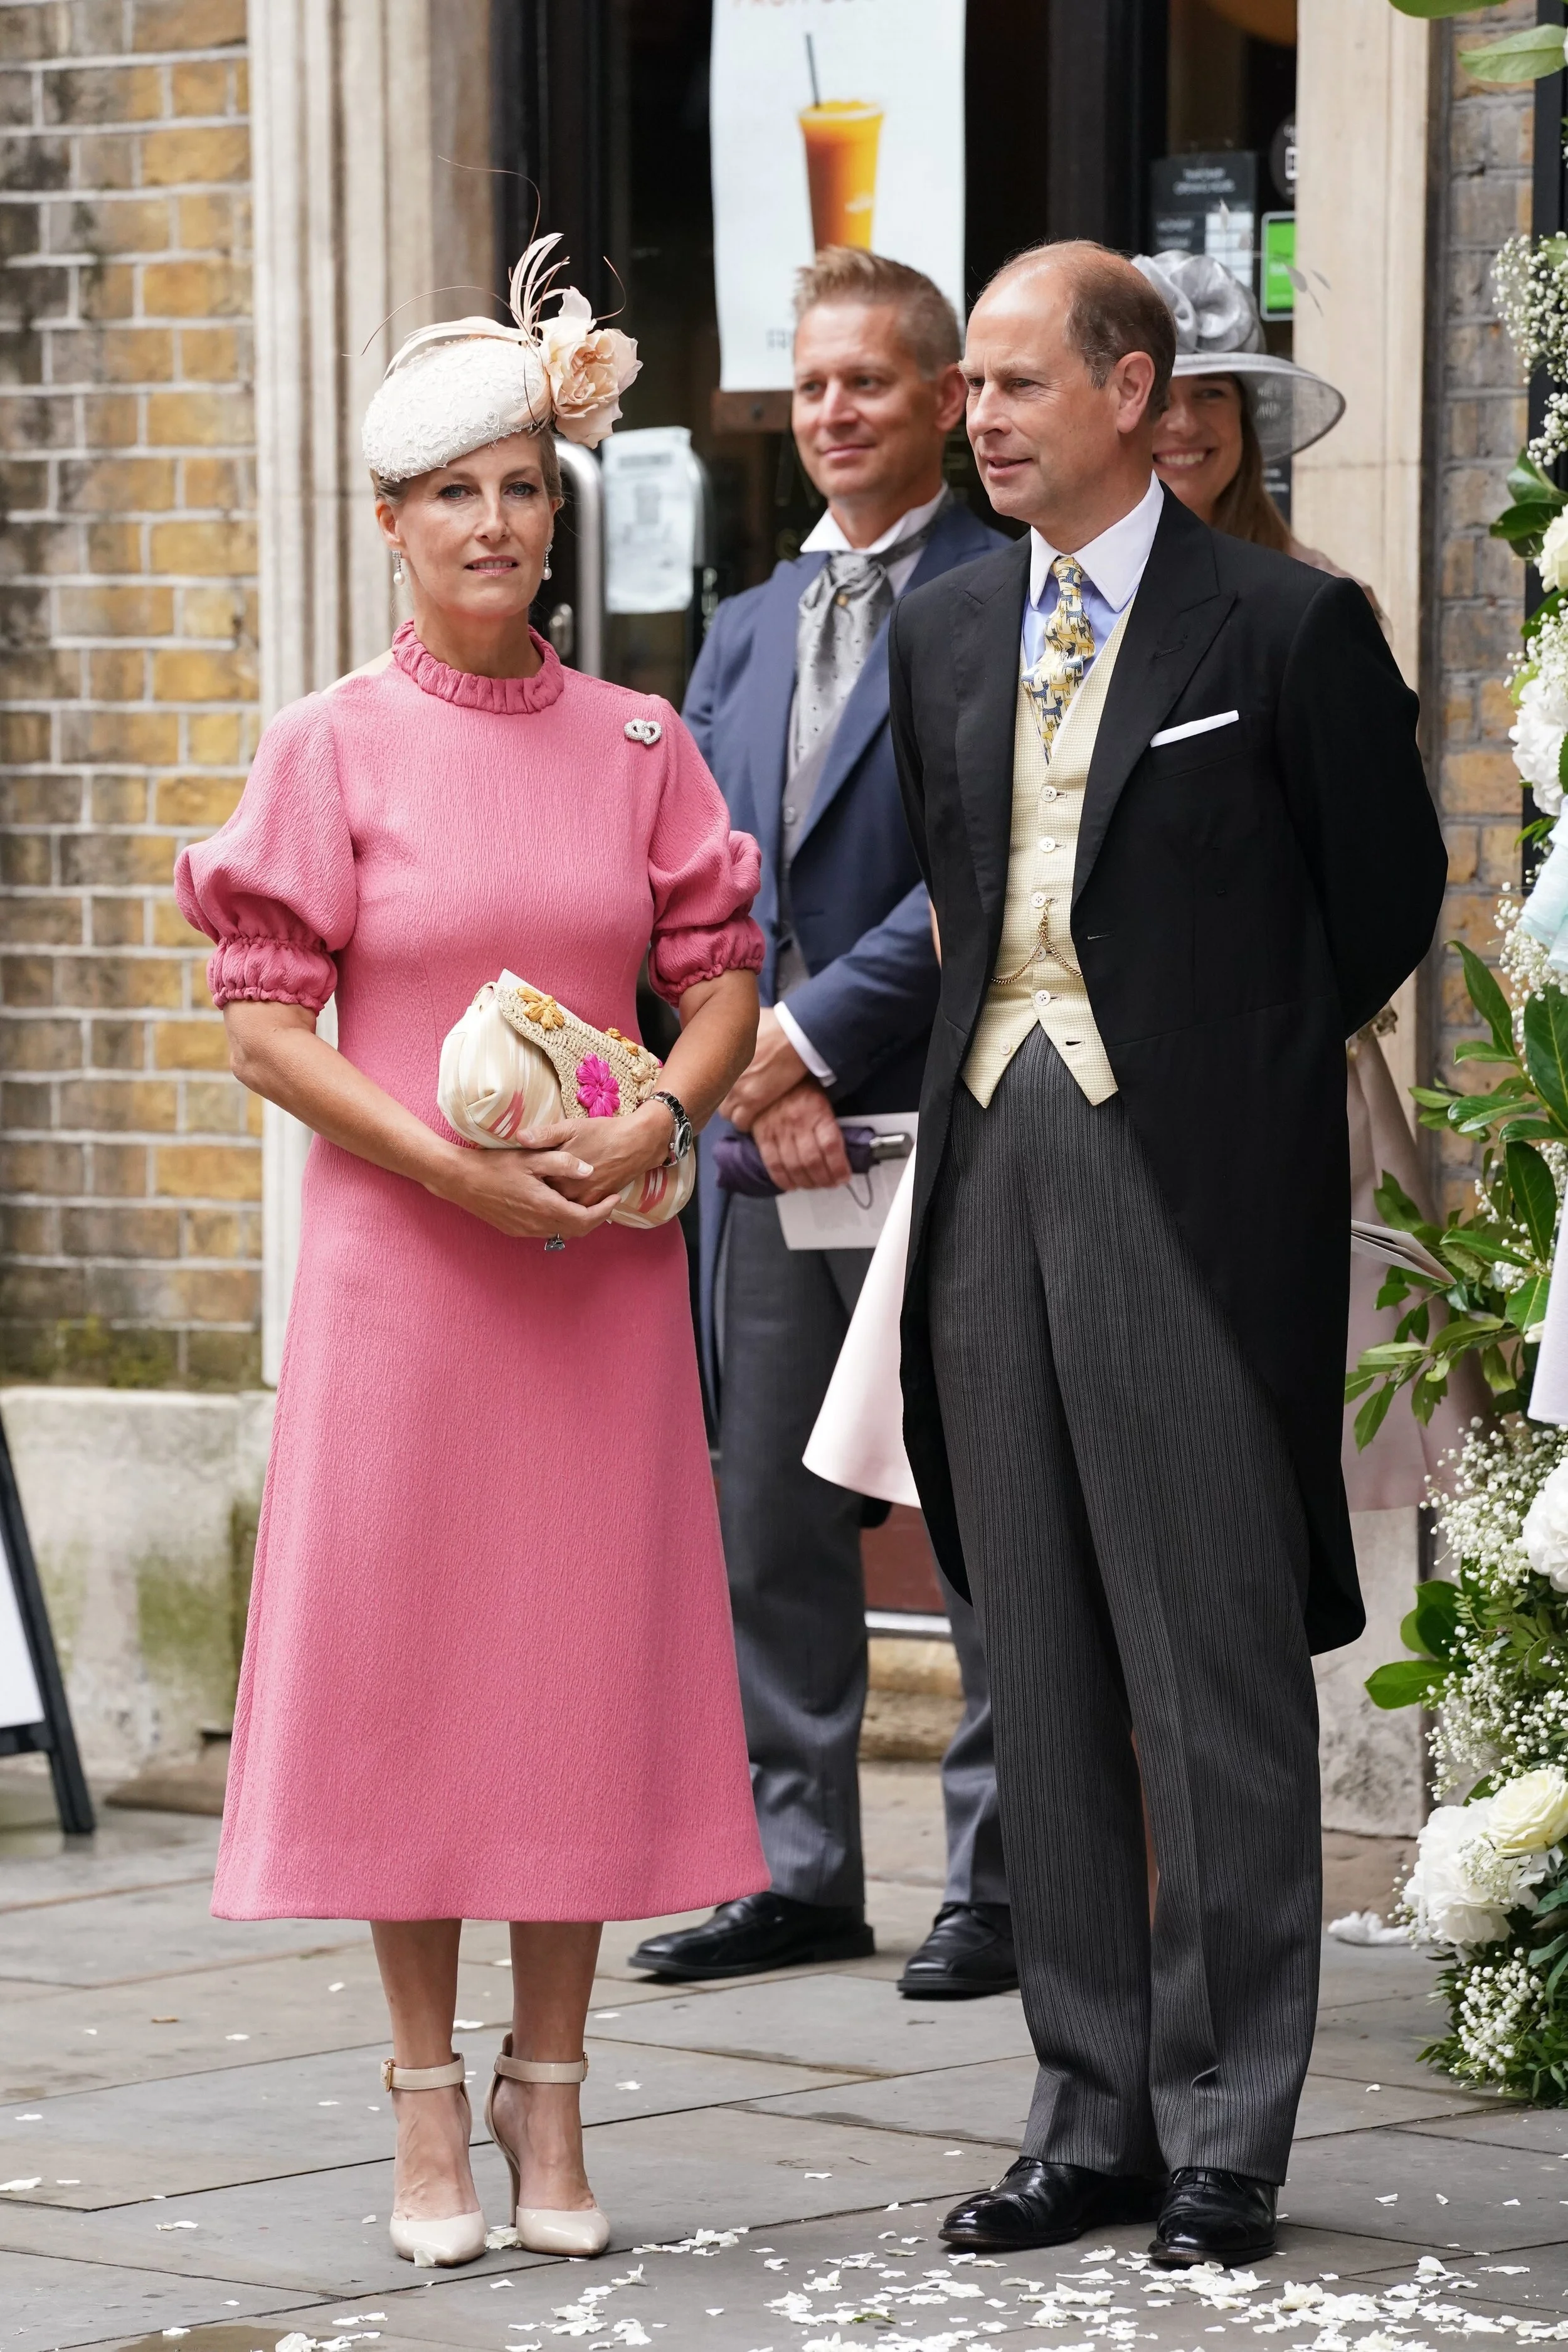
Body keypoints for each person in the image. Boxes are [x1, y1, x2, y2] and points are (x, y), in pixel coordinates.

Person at [173, 240, 770, 2270]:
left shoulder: (641, 742)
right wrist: (455, 1174)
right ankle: (428, 2093)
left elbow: (719, 977)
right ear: (390, 523)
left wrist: (663, 1114)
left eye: (523, 486)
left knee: (569, 1663)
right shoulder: (328, 745)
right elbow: (264, 1026)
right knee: (414, 1671)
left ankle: (556, 2086)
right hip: (405, 1279)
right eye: (455, 495)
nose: (496, 523)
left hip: (595, 1272)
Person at [887, 241, 1446, 2266]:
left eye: (1017, 382)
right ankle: (1086, 2112)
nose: (980, 417)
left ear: (1133, 391)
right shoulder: (946, 630)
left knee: (1208, 1665)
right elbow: (956, 884)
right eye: (971, 387)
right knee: (1034, 1649)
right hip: (987, 1160)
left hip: (1188, 1179)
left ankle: (1226, 2127)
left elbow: (1383, 893)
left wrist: (1228, 1063)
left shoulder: (1283, 627)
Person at [628, 250, 1014, 2001]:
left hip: (946, 1119)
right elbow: (698, 889)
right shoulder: (745, 623)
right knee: (767, 1508)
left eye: (867, 380)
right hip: (757, 1142)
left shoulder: (1011, 589)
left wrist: (794, 1042)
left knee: (982, 1500)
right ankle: (796, 1869)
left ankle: (1001, 1881)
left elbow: (990, 872)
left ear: (944, 399)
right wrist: (739, 1077)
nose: (833, 411)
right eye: (809, 385)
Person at [1136, 246, 1484, 1500]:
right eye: (1164, 394)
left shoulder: (1318, 603)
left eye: (1214, 397)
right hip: (1092, 1076)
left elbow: (1380, 869)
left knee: (1277, 1454)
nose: (1185, 425)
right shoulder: (1050, 609)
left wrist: (1284, 1020)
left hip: (1283, 1078)